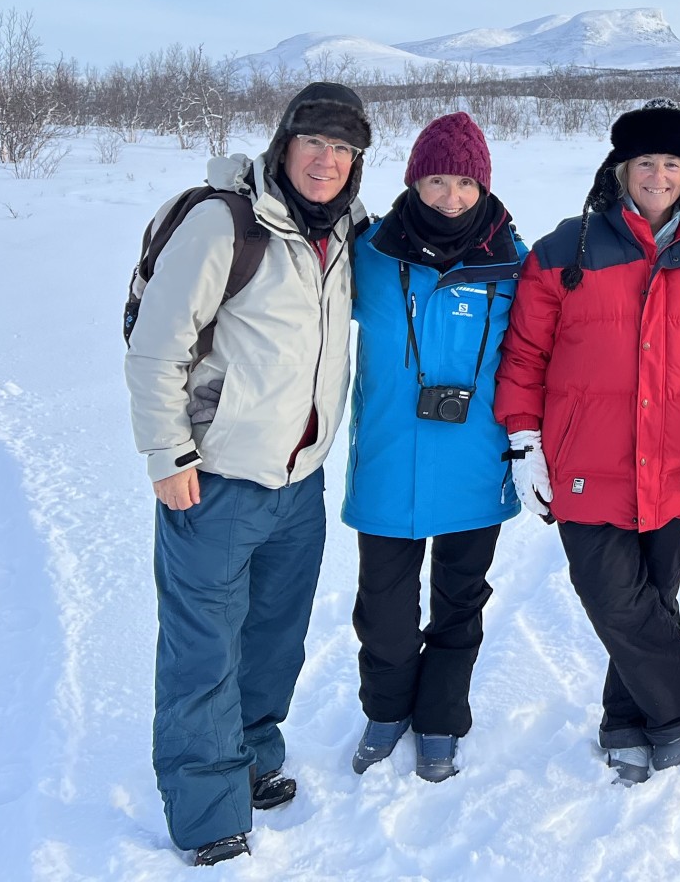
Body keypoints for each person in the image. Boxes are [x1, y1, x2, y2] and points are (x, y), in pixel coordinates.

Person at [126, 82, 370, 866]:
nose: (327, 161)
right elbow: (157, 347)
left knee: (274, 638)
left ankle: (254, 755)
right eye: (315, 143)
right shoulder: (225, 222)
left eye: (344, 149)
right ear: (284, 144)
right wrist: (167, 456)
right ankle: (207, 812)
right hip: (216, 478)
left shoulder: (343, 235)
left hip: (300, 481)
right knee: (204, 647)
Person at [494, 101, 680, 786]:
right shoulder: (568, 248)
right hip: (585, 461)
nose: (657, 175)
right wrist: (524, 442)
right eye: (645, 162)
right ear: (620, 170)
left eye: (671, 164)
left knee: (657, 595)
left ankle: (629, 720)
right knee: (612, 597)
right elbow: (525, 353)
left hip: (673, 459)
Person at [341, 112, 527, 783]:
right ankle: (386, 708)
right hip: (389, 462)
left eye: (465, 184)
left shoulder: (513, 264)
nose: (450, 197)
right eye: (436, 181)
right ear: (414, 182)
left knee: (459, 604)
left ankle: (442, 717)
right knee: (384, 611)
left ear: (484, 187)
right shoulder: (370, 255)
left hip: (475, 467)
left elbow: (538, 355)